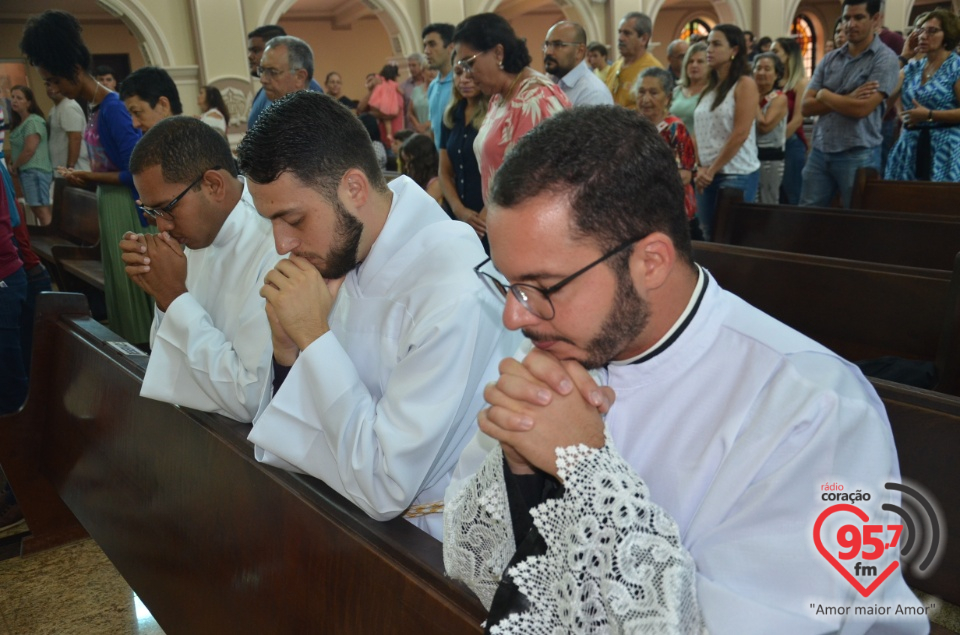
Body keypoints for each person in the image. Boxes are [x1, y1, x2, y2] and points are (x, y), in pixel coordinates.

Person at [442, 105, 929, 634]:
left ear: (650, 261)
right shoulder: (565, 341)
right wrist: (520, 467)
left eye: (542, 287)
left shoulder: (813, 407)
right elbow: (472, 562)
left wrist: (586, 470)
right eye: (508, 284)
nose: (515, 315)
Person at [236, 91, 519, 540]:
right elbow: (287, 444)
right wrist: (287, 351)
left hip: (431, 547)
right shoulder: (349, 248)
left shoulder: (452, 291)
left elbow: (386, 487)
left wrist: (314, 338)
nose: (281, 244)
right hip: (346, 520)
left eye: (293, 218)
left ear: (354, 188)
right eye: (271, 221)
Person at [119, 116, 281, 422]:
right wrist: (161, 290)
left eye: (168, 208)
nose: (162, 226)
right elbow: (163, 350)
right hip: (199, 425)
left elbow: (250, 398)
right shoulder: (194, 234)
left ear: (213, 185)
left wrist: (172, 295)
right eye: (151, 211)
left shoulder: (275, 241)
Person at [21, 10, 155, 345]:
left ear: (75, 71)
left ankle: (143, 351)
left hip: (126, 209)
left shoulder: (112, 108)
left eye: (53, 80)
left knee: (133, 293)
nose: (51, 88)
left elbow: (135, 171)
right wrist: (90, 179)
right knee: (120, 293)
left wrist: (89, 175)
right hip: (109, 205)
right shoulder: (92, 108)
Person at [452, 13, 570, 202]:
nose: (467, 75)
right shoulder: (499, 96)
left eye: (470, 63)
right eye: (462, 67)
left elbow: (544, 186)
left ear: (498, 53)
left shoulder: (535, 100)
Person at [800, 0, 900, 208]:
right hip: (820, 150)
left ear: (875, 19)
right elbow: (806, 107)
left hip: (858, 152)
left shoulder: (884, 59)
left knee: (857, 220)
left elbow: (861, 109)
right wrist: (847, 97)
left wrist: (825, 95)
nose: (850, 24)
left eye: (858, 17)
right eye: (846, 18)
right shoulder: (831, 59)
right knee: (807, 219)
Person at [693, 24, 759, 239]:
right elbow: (699, 133)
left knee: (730, 237)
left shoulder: (744, 84)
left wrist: (711, 170)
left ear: (735, 50)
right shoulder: (709, 88)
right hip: (707, 174)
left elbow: (740, 133)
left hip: (735, 173)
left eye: (716, 44)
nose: (709, 49)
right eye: (708, 44)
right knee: (709, 235)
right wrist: (699, 168)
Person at [885, 9, 960, 182]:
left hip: (945, 149)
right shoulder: (912, 68)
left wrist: (930, 115)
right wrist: (904, 57)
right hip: (909, 147)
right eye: (920, 30)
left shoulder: (956, 67)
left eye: (932, 31)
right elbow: (882, 96)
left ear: (947, 35)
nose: (923, 36)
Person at [636, 68, 701, 239]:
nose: (646, 99)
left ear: (668, 97)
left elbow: (685, 175)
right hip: (643, 212)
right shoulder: (636, 127)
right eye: (641, 92)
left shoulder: (675, 128)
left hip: (673, 213)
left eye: (653, 93)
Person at [440, 59, 487, 248]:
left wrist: (482, 218)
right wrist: (459, 211)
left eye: (470, 73)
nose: (464, 80)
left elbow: (505, 173)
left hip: (487, 214)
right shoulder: (451, 115)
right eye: (459, 73)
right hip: (456, 211)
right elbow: (444, 171)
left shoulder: (495, 113)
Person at [246, 26, 324, 130]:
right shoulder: (265, 92)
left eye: (256, 50)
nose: (250, 56)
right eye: (263, 70)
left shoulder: (311, 90)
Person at [8, 86, 54, 226]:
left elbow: (29, 149)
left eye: (19, 98)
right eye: (13, 97)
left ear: (29, 102)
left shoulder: (33, 121)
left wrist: (14, 166)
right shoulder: (20, 122)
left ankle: (51, 240)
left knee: (41, 209)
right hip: (26, 171)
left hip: (35, 170)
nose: (15, 101)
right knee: (35, 207)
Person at [771, 37, 809, 204]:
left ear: (788, 55)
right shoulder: (774, 82)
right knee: (774, 195)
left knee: (792, 193)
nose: (771, 55)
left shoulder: (800, 83)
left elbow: (798, 119)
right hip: (770, 144)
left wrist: (777, 140)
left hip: (791, 142)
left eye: (775, 51)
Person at [543, 21, 612, 107]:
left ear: (580, 51)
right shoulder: (547, 82)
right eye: (547, 44)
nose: (548, 52)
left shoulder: (593, 93)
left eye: (558, 45)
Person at [605, 12, 663, 108]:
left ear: (644, 39)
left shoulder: (653, 70)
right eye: (620, 32)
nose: (620, 38)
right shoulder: (615, 67)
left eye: (627, 33)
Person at [753, 53, 788, 204]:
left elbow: (764, 126)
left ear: (777, 75)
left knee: (768, 202)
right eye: (758, 68)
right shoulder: (750, 94)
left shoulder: (779, 98)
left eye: (767, 69)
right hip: (750, 157)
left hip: (770, 159)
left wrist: (752, 99)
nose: (761, 73)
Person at [118, 66, 183, 133]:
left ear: (163, 105)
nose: (135, 124)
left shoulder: (191, 141)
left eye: (137, 112)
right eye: (130, 114)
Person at [423, 23, 456, 148]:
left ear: (450, 47)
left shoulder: (462, 84)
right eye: (425, 46)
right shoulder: (432, 86)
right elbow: (434, 128)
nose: (426, 51)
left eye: (432, 44)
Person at [46, 81, 89, 174]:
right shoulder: (55, 108)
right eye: (48, 84)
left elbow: (75, 138)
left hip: (74, 169)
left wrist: (70, 167)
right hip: (61, 168)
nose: (51, 88)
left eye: (56, 84)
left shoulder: (68, 107)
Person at [669, 41, 708, 133]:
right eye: (690, 61)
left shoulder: (712, 93)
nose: (694, 65)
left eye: (700, 61)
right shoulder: (677, 91)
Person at [367, 64, 404, 147]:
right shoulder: (394, 87)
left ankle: (389, 135)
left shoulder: (381, 83)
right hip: (387, 136)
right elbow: (401, 91)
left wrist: (373, 114)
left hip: (395, 137)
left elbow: (394, 114)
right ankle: (388, 134)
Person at [400, 133, 442, 204]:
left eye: (409, 162)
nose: (406, 167)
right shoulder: (418, 180)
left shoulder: (436, 184)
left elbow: (421, 207)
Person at [401, 53, 431, 133]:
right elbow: (407, 111)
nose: (411, 68)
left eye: (414, 65)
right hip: (414, 129)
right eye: (409, 66)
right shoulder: (405, 86)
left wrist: (425, 126)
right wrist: (418, 126)